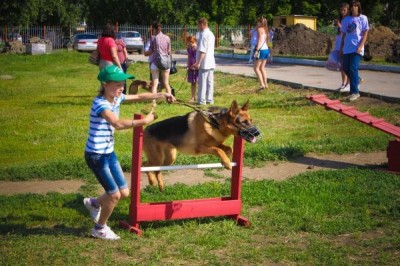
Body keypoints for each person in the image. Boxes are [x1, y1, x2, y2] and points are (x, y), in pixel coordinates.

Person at [83, 65, 175, 240]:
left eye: (122, 84)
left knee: (124, 193)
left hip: (108, 152)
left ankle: (94, 203)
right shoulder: (100, 104)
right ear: (105, 84)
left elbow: (140, 96)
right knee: (114, 195)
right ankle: (99, 228)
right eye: (117, 85)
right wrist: (144, 121)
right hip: (96, 155)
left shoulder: (117, 98)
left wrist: (164, 94)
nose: (121, 88)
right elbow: (116, 123)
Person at [340, 0, 369, 101]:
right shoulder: (346, 20)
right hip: (347, 48)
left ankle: (355, 92)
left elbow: (365, 33)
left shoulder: (363, 18)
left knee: (352, 68)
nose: (353, 8)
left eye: (355, 6)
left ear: (358, 7)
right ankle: (358, 79)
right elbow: (343, 35)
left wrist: (361, 46)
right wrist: (341, 48)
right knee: (345, 68)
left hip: (357, 48)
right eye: (352, 6)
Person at [192, 18, 216, 105]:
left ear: (202, 24)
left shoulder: (204, 35)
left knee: (202, 83)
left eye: (198, 24)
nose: (197, 26)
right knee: (210, 82)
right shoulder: (211, 34)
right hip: (211, 61)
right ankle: (210, 99)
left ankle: (201, 100)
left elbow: (203, 51)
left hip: (204, 62)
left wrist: (198, 62)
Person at [147, 21, 172, 94]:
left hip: (155, 62)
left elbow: (151, 50)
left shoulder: (153, 38)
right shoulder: (167, 38)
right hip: (165, 62)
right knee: (166, 83)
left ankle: (154, 102)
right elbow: (169, 51)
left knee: (155, 83)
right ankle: (170, 99)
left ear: (154, 29)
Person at [335, 3, 350, 92]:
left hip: (344, 45)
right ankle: (343, 84)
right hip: (339, 44)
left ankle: (347, 83)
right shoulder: (342, 19)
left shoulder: (348, 20)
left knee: (344, 66)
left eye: (344, 10)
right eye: (341, 10)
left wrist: (339, 25)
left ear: (348, 10)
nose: (342, 12)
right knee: (341, 66)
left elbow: (346, 31)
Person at [253, 17, 270, 92]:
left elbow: (260, 40)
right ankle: (266, 84)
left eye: (258, 22)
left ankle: (261, 84)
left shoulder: (260, 29)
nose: (256, 23)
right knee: (262, 68)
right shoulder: (266, 29)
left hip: (261, 50)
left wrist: (257, 50)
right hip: (266, 49)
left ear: (260, 22)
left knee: (256, 68)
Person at [186, 35, 198, 103]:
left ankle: (197, 97)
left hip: (196, 67)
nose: (187, 43)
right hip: (190, 67)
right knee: (193, 83)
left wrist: (195, 65)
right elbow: (189, 57)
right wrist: (188, 66)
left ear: (191, 41)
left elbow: (198, 58)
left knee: (198, 82)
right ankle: (193, 97)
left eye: (188, 42)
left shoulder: (196, 48)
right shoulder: (189, 48)